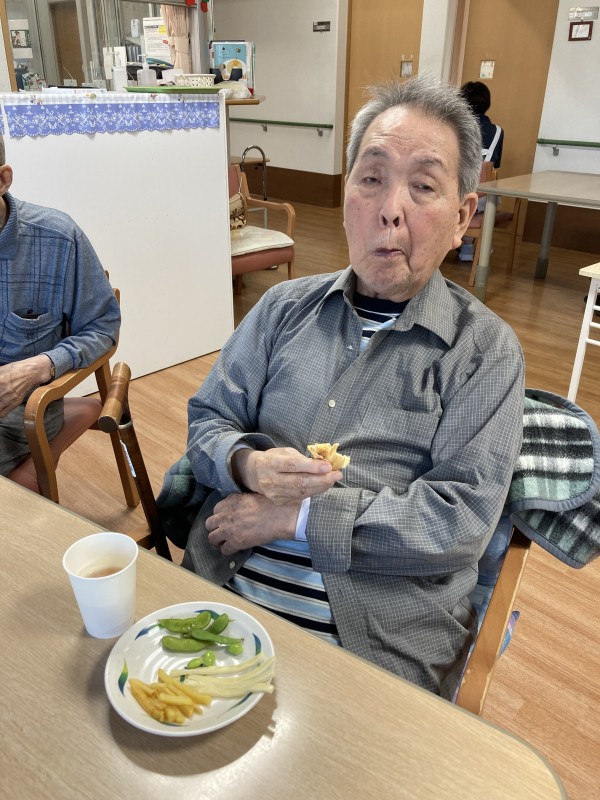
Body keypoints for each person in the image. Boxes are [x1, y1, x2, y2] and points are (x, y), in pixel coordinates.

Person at [178, 74, 525, 699]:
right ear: (346, 199)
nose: (390, 208)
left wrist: (296, 517)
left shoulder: (484, 352)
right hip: (221, 596)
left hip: (373, 646)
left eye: (423, 186)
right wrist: (247, 465)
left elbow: (460, 523)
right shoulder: (281, 309)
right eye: (372, 178)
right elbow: (207, 419)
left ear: (462, 218)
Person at [0, 133, 120, 477]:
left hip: (22, 409)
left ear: (3, 179)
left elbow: (103, 327)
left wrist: (37, 368)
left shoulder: (58, 237)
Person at [460, 80, 504, 169]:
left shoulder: (455, 127)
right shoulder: (498, 131)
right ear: (487, 103)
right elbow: (496, 165)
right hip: (485, 177)